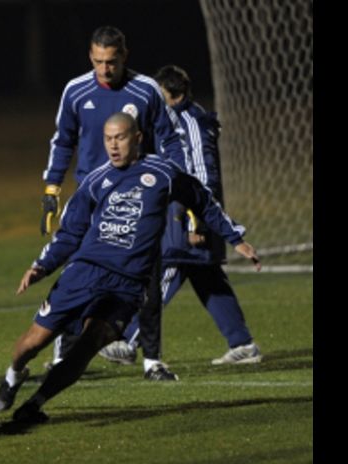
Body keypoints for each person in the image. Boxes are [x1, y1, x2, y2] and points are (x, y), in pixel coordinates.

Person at [0, 113, 260, 423]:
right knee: (33, 342)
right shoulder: (95, 180)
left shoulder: (163, 173)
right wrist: (41, 266)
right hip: (85, 272)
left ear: (137, 138)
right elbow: (69, 232)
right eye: (108, 139)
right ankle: (13, 376)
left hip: (128, 285)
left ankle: (35, 404)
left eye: (119, 138)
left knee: (88, 346)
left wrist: (235, 238)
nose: (113, 146)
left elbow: (203, 201)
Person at [40, 25, 189, 379]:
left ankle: (152, 361)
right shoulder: (76, 91)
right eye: (97, 62)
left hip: (138, 196)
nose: (104, 69)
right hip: (91, 198)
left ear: (124, 56)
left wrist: (178, 191)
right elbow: (62, 141)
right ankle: (64, 354)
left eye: (110, 62)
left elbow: (171, 141)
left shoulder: (146, 90)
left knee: (148, 279)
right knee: (77, 274)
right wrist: (51, 188)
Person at [103, 65, 262, 365]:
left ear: (174, 96)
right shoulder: (172, 121)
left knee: (168, 269)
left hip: (190, 215)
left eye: (159, 96)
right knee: (208, 278)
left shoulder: (192, 123)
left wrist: (195, 218)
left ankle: (130, 340)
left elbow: (202, 176)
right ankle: (243, 344)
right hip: (181, 211)